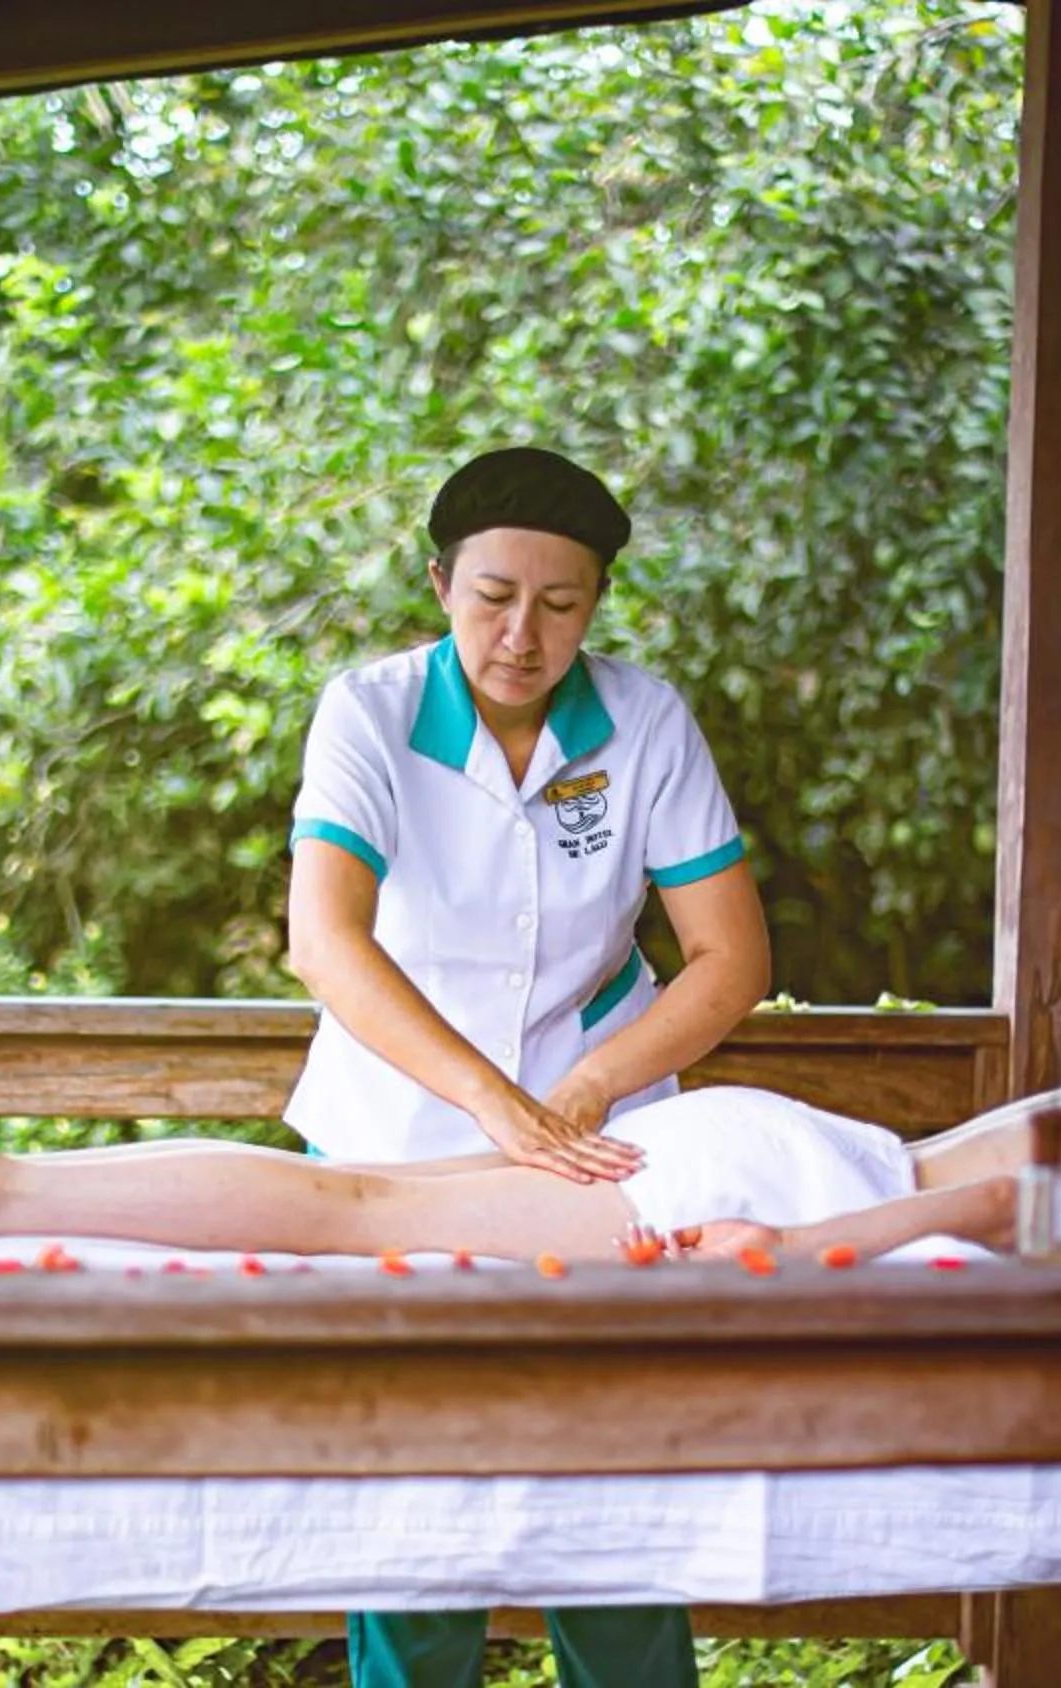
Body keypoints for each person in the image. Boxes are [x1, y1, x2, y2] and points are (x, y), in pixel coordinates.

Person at [268, 445, 770, 1688]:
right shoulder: (369, 712)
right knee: (416, 1490)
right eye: (494, 596)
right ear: (439, 584)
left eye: (562, 602)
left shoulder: (644, 717)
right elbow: (322, 938)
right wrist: (490, 1100)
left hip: (599, 1137)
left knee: (610, 1465)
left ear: (596, 603)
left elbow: (728, 954)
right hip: (395, 1133)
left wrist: (590, 1083)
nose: (523, 634)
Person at [0, 1023, 1061, 1270]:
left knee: (359, 1200)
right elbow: (1012, 1201)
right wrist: (809, 1251)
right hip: (791, 1185)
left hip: (777, 1141)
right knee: (350, 1218)